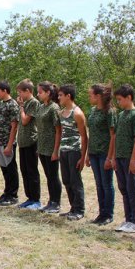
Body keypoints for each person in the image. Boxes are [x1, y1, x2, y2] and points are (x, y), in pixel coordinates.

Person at [113, 84, 135, 233]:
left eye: (120, 99)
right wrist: (114, 157)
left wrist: (133, 160)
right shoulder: (121, 115)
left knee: (133, 189)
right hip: (120, 157)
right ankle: (128, 219)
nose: (118, 102)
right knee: (124, 188)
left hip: (130, 158)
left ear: (129, 98)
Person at [85, 83, 117, 225]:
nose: (89, 97)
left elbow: (113, 135)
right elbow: (91, 132)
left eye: (90, 94)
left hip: (104, 152)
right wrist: (87, 154)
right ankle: (101, 213)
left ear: (98, 96)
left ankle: (108, 214)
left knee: (106, 184)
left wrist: (110, 157)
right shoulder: (92, 111)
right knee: (99, 184)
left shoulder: (109, 112)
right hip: (93, 152)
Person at [57, 84, 88, 220]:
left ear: (68, 96)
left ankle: (79, 209)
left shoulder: (77, 113)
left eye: (60, 95)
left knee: (75, 181)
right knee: (66, 180)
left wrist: (83, 156)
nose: (58, 98)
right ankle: (73, 208)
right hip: (64, 150)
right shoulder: (62, 113)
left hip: (75, 151)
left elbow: (84, 136)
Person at [37, 82, 63, 214]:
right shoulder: (41, 107)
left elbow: (58, 130)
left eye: (40, 92)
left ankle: (56, 202)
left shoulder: (54, 108)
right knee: (48, 175)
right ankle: (51, 201)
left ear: (48, 93)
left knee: (53, 175)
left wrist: (55, 150)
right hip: (42, 147)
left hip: (51, 147)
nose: (38, 94)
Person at [16, 79, 41, 209]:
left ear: (28, 91)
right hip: (23, 142)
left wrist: (21, 107)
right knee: (24, 170)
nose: (19, 95)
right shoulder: (25, 103)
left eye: (20, 92)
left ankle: (36, 199)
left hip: (31, 141)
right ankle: (29, 197)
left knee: (32, 171)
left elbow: (25, 120)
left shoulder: (33, 103)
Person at [0, 81, 20, 206]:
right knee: (4, 168)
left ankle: (13, 195)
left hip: (7, 142)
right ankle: (6, 192)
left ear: (5, 91)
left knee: (11, 169)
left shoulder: (13, 105)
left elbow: (14, 126)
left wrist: (10, 145)